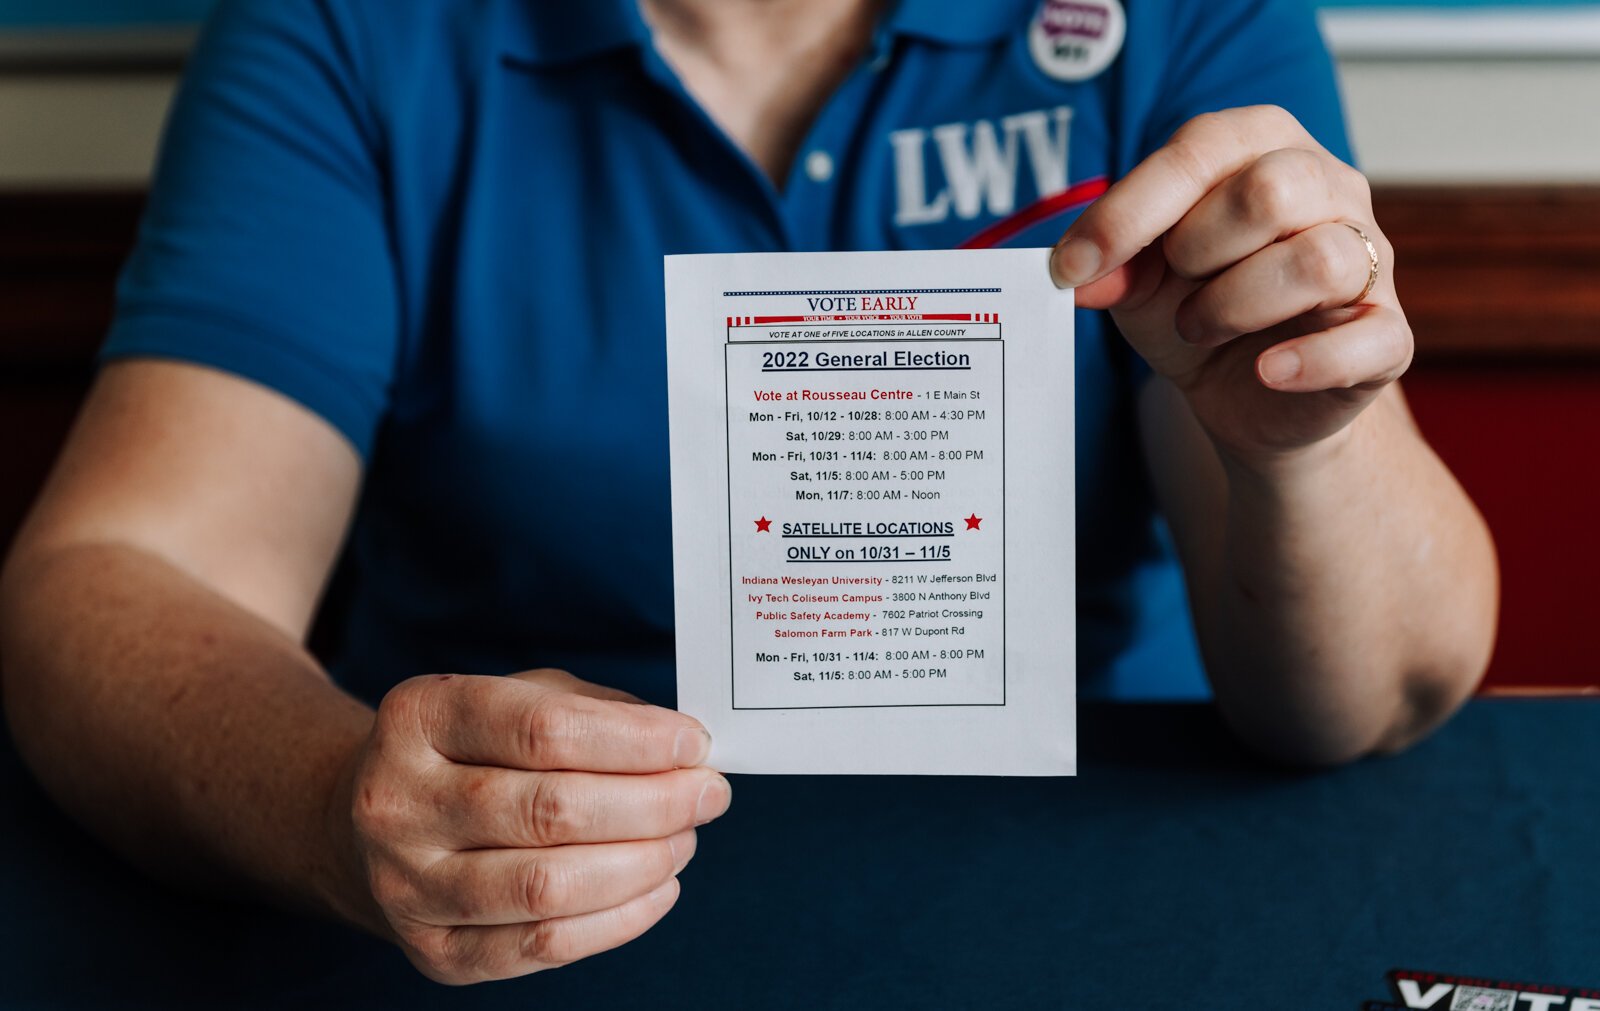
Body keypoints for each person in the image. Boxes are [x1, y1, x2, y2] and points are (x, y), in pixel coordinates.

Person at [0, 0, 1496, 987]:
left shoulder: (1177, 16)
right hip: (524, 919)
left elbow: (1372, 698)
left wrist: (1296, 440)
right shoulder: (346, 31)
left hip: (1098, 877)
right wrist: (339, 804)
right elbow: (121, 571)